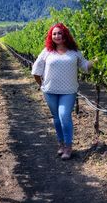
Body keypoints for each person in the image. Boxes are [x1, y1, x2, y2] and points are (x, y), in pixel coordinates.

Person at [31, 23, 93, 160]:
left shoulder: (74, 52)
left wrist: (96, 61)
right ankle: (61, 144)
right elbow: (36, 69)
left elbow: (84, 66)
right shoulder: (47, 51)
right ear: (51, 36)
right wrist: (42, 85)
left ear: (65, 34)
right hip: (50, 91)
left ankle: (68, 147)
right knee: (57, 118)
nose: (57, 36)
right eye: (54, 34)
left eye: (59, 33)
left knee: (64, 116)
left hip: (68, 90)